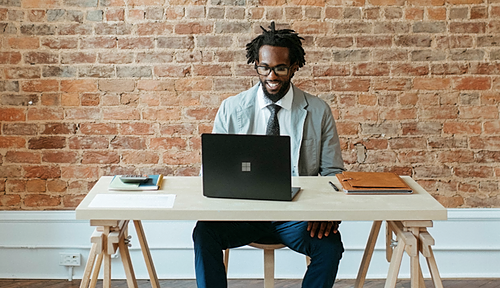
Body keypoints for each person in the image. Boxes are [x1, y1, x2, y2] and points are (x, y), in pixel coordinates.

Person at [192, 22, 345, 288]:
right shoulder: (231, 108)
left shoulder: (318, 111)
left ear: (295, 66)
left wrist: (329, 211)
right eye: (264, 68)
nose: (271, 76)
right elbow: (212, 170)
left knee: (330, 246)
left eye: (280, 68)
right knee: (204, 233)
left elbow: (333, 172)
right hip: (242, 217)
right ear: (256, 65)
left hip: (296, 219)